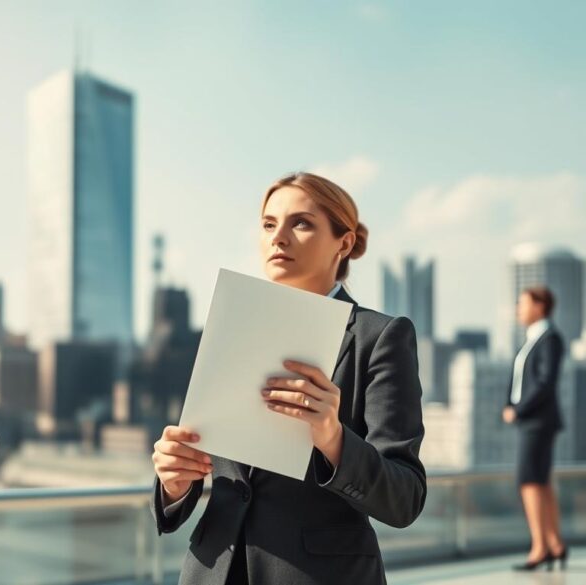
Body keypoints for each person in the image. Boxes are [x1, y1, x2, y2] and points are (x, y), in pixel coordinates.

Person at [151, 172, 426, 584]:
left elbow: (405, 498)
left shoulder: (380, 337)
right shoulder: (232, 325)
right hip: (213, 571)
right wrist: (173, 483)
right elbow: (209, 467)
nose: (278, 237)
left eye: (301, 223)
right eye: (268, 224)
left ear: (344, 243)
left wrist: (333, 439)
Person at [503, 286, 567, 571]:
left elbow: (544, 382)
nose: (518, 308)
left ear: (540, 306)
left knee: (529, 480)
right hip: (534, 420)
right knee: (540, 481)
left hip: (537, 421)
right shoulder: (534, 338)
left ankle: (539, 547)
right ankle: (554, 544)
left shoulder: (549, 339)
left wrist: (518, 409)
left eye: (523, 303)